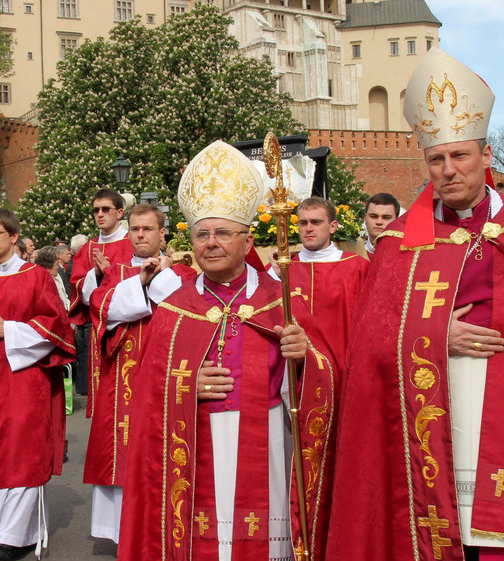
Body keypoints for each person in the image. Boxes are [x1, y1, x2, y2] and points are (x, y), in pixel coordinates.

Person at [325, 48, 504, 558]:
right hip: (433, 409)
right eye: (436, 159)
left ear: (485, 156)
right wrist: (435, 335)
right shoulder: (400, 243)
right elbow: (368, 343)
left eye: (459, 156)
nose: (448, 170)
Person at [118, 142, 329, 561]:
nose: (210, 243)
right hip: (195, 446)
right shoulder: (175, 309)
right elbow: (145, 395)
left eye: (222, 233)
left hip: (269, 444)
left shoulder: (281, 300)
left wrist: (306, 359)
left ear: (247, 238)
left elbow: (329, 378)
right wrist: (184, 385)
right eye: (201, 234)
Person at [0, 207, 74, 561]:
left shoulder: (35, 276)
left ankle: (9, 539)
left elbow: (57, 324)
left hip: (26, 377)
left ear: (14, 237)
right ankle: (11, 532)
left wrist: (8, 329)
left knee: (23, 451)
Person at [85, 203, 196, 544]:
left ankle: (164, 530)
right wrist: (143, 282)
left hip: (165, 378)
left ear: (163, 233)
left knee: (165, 456)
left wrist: (159, 277)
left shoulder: (184, 273)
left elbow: (188, 310)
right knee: (119, 454)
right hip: (121, 382)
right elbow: (100, 310)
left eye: (148, 229)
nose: (140, 235)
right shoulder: (115, 273)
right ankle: (122, 535)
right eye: (134, 229)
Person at [270, 197, 370, 364]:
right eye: (303, 223)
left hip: (342, 361)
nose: (309, 228)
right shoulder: (281, 268)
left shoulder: (356, 266)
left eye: (316, 222)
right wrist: (275, 275)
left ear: (333, 226)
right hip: (295, 366)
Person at [71, 190, 134, 402]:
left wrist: (110, 272)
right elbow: (78, 288)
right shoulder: (88, 249)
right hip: (97, 329)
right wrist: (95, 274)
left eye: (105, 209)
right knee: (103, 394)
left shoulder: (132, 242)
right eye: (96, 210)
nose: (100, 214)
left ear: (119, 213)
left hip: (129, 326)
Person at [34, 247, 69, 311]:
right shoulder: (40, 281)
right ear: (48, 264)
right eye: (57, 259)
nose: (59, 262)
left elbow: (65, 297)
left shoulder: (58, 275)